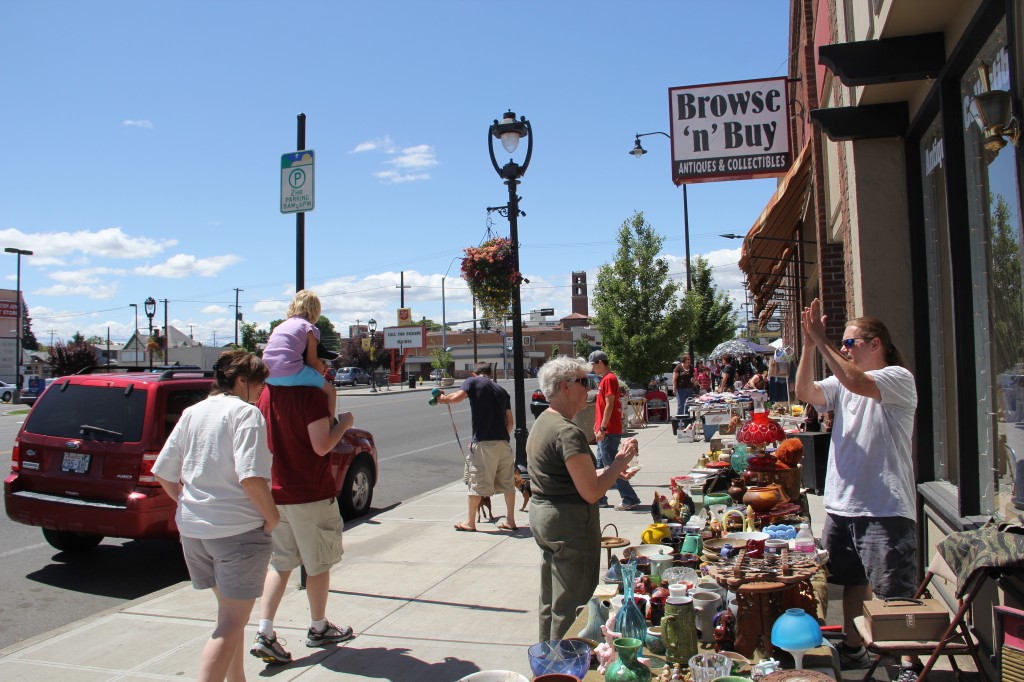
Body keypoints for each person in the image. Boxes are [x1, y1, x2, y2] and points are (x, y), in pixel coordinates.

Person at [795, 298, 919, 678]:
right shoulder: (842, 381)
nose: (845, 349)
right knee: (852, 583)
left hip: (883, 506)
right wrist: (809, 345)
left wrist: (823, 337)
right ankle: (853, 648)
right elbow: (805, 393)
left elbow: (854, 379)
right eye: (844, 343)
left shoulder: (896, 377)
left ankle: (905, 666)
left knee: (893, 595)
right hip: (842, 504)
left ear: (875, 344)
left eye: (851, 343)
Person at [152, 350, 279, 682]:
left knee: (228, 615)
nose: (263, 388)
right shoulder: (245, 414)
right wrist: (272, 517)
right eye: (260, 381)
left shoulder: (193, 413)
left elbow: (164, 472)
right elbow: (251, 476)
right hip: (237, 532)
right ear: (241, 380)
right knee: (230, 624)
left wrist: (188, 503)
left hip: (194, 533)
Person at [527, 356, 639, 641]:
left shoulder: (544, 422)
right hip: (569, 524)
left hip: (547, 515)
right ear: (565, 387)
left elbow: (570, 474)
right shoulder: (568, 432)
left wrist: (611, 472)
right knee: (572, 603)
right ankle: (565, 663)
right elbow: (591, 491)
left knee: (551, 599)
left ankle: (547, 659)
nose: (589, 389)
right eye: (583, 382)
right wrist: (620, 460)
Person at [249, 383, 356, 664]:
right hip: (310, 493)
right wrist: (345, 423)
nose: (323, 366)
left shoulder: (267, 392)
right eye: (320, 358)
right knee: (318, 564)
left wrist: (329, 394)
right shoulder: (308, 394)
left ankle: (265, 631)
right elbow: (322, 445)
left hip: (277, 493)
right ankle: (318, 626)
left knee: (280, 562)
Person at [436, 362, 517, 532]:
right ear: (490, 374)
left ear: (475, 374)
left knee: (477, 482)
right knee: (508, 483)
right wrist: (500, 437)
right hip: (503, 443)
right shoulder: (502, 391)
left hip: (483, 443)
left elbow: (456, 397)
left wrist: (442, 399)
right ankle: (510, 520)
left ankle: (470, 522)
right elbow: (510, 422)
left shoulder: (472, 382)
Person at [261, 289, 337, 420]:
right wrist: (319, 370)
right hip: (290, 372)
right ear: (316, 310)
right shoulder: (310, 328)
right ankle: (330, 425)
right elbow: (312, 361)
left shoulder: (279, 327)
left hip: (268, 375)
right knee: (331, 391)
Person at [588, 351, 641, 511]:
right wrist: (597, 425)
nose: (592, 368)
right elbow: (604, 406)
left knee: (612, 466)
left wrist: (602, 427)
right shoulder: (604, 379)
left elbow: (610, 405)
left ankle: (629, 498)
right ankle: (600, 498)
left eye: (592, 364)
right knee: (600, 465)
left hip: (608, 430)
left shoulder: (609, 379)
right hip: (604, 430)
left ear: (600, 362)